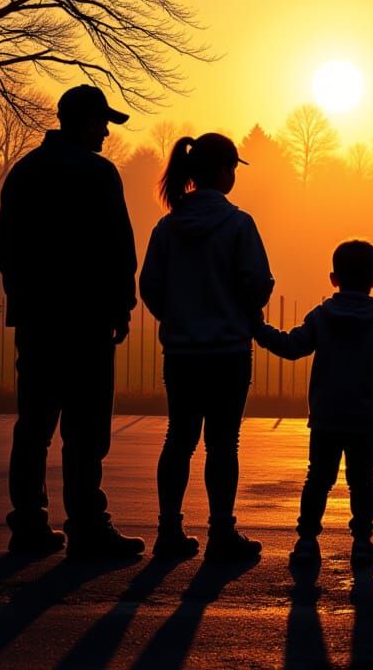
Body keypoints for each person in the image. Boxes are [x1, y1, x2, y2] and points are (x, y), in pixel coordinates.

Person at [0, 85, 144, 559]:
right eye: (102, 123)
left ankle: (28, 523)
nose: (106, 133)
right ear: (85, 122)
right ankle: (87, 525)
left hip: (39, 319)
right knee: (85, 427)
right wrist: (122, 305)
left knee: (34, 425)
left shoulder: (25, 172)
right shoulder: (98, 174)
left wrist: (24, 300)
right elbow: (118, 247)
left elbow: (7, 249)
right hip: (87, 318)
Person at [140, 133, 274, 562]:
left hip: (181, 352)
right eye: (233, 167)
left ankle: (168, 529)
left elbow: (150, 285)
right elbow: (258, 281)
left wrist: (176, 316)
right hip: (228, 352)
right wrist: (243, 311)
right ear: (222, 171)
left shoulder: (167, 228)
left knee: (178, 439)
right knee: (223, 443)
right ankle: (220, 532)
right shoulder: (238, 224)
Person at [252, 240, 373, 568]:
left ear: (334, 278)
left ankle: (307, 541)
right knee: (363, 480)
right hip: (365, 420)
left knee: (318, 478)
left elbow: (292, 346)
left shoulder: (322, 317)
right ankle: (362, 542)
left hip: (326, 417)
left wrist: (259, 329)